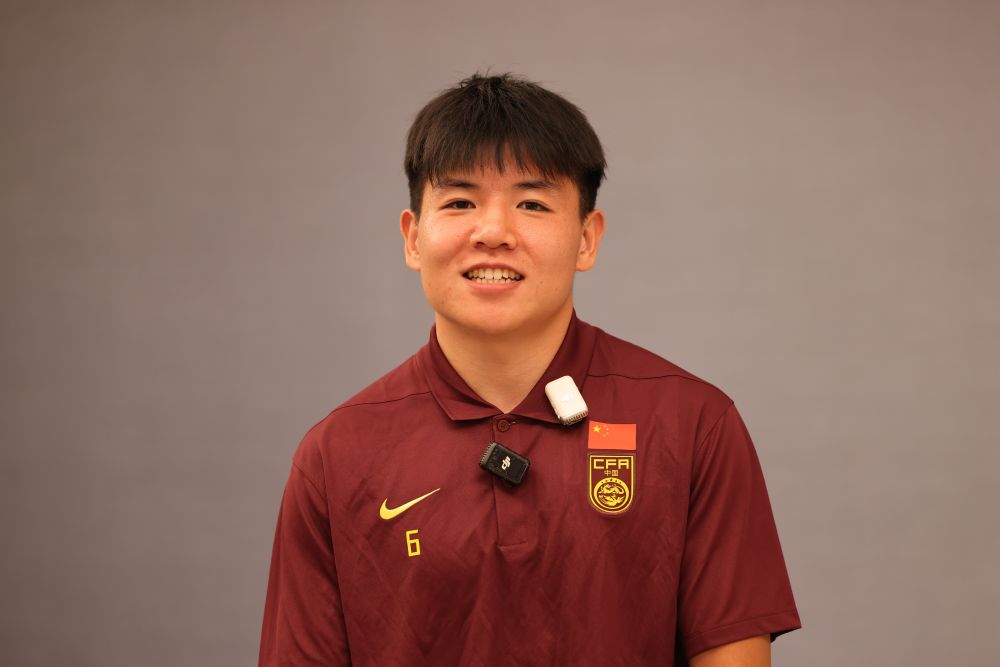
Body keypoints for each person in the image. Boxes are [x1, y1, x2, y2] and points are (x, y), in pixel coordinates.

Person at [259, 72, 801, 666]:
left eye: (532, 204)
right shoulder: (338, 454)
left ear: (587, 239)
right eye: (460, 202)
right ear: (413, 239)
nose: (493, 232)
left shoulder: (693, 424)